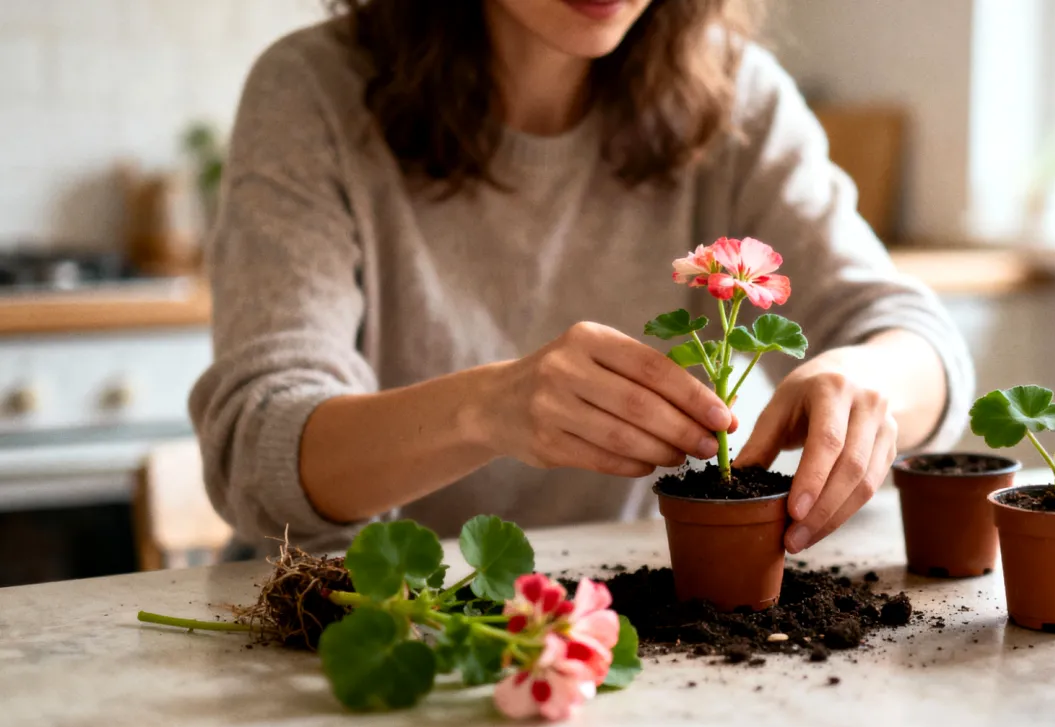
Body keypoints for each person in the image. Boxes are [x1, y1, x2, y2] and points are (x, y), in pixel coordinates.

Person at [190, 0, 974, 558]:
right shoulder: (311, 92)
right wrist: (488, 409)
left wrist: (868, 376)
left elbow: (919, 343)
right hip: (347, 616)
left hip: (609, 621)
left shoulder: (738, 94)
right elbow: (256, 446)